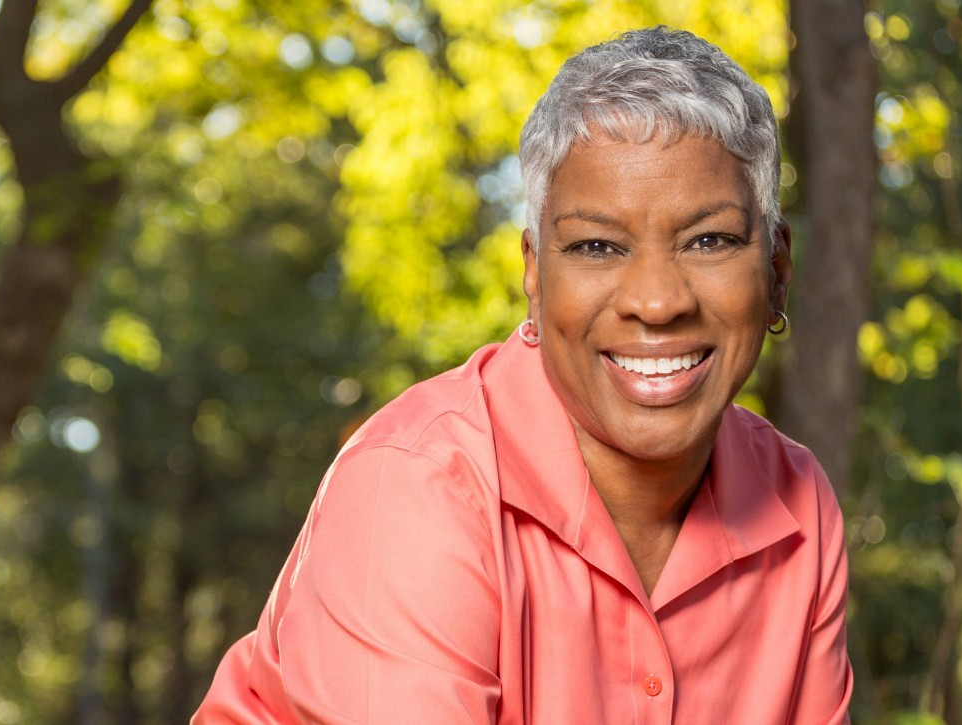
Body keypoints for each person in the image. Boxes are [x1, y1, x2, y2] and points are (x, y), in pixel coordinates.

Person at [193, 27, 852, 724]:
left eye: (708, 240)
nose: (657, 302)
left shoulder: (799, 503)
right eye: (597, 245)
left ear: (777, 272)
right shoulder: (415, 485)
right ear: (535, 273)